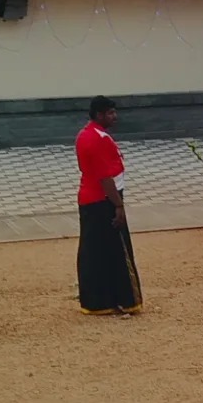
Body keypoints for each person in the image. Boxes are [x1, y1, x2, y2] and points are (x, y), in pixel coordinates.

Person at [75, 96, 143, 316]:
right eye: (110, 113)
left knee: (94, 251)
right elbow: (106, 179)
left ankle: (96, 300)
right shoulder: (99, 139)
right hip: (103, 200)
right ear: (99, 115)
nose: (115, 117)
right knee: (116, 251)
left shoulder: (85, 135)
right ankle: (121, 299)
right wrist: (119, 206)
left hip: (90, 199)